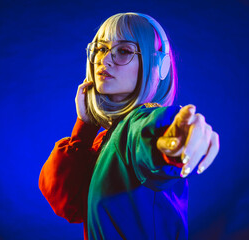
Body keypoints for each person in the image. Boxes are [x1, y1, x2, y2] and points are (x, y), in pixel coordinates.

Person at [39, 12, 219, 240]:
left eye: (124, 51)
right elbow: (68, 204)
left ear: (159, 66)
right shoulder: (106, 138)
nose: (105, 60)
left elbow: (150, 136)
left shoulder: (138, 123)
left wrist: (174, 142)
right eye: (101, 49)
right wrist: (84, 128)